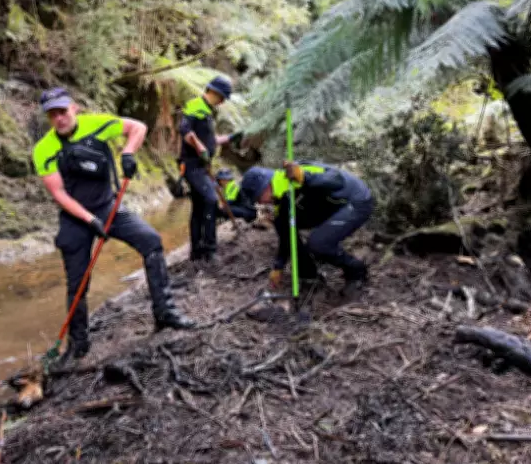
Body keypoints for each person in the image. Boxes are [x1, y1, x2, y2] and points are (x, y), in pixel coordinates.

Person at [32, 87, 195, 360]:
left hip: (110, 206)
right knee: (78, 282)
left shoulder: (97, 125)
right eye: (52, 115)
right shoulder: (43, 149)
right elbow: (58, 193)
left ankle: (164, 312)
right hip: (76, 216)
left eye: (62, 111)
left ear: (74, 108)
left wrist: (129, 153)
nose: (59, 118)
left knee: (152, 242)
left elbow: (138, 127)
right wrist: (90, 220)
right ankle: (78, 343)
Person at [239, 160, 374, 295]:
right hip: (329, 206)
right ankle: (309, 275)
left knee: (318, 244)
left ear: (265, 187)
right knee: (283, 223)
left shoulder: (297, 171)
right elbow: (286, 236)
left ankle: (356, 271)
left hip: (355, 201)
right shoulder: (280, 198)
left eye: (258, 198)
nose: (260, 203)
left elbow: (336, 181)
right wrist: (278, 266)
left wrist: (304, 177)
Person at [178, 76, 243, 262]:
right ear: (212, 91)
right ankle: (210, 249)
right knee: (211, 200)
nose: (222, 101)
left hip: (202, 166)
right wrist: (199, 148)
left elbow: (210, 141)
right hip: (192, 165)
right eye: (221, 96)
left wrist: (230, 138)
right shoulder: (195, 105)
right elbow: (185, 131)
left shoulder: (207, 111)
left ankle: (196, 251)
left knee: (199, 206)